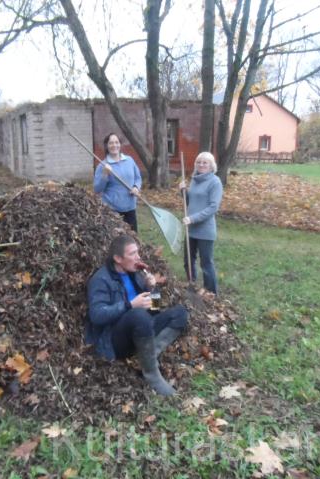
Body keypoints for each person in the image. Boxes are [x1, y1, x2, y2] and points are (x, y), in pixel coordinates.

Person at [86, 235, 189, 396]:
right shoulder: (101, 280)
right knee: (138, 315)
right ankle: (152, 375)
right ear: (118, 258)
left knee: (180, 313)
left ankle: (149, 357)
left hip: (143, 332)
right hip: (116, 340)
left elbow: (154, 310)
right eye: (132, 254)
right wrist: (130, 305)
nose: (138, 257)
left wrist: (152, 289)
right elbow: (96, 315)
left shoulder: (135, 273)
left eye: (138, 252)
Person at [179, 152, 223, 294]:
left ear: (212, 166)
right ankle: (192, 286)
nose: (202, 165)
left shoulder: (215, 182)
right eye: (199, 162)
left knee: (206, 263)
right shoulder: (194, 180)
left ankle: (211, 293)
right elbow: (189, 203)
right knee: (188, 261)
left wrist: (193, 218)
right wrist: (183, 192)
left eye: (205, 162)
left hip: (205, 230)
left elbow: (213, 207)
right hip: (190, 229)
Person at [93, 133, 142, 232]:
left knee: (132, 240)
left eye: (116, 142)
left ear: (120, 144)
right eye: (111, 143)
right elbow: (97, 189)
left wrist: (136, 187)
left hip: (130, 208)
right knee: (117, 242)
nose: (114, 145)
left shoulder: (129, 160)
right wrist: (105, 174)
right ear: (107, 146)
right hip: (112, 210)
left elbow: (138, 178)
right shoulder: (102, 165)